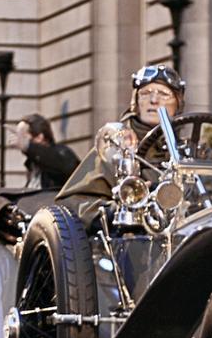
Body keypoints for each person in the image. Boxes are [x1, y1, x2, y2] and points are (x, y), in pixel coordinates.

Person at [57, 65, 186, 223]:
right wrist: (119, 208)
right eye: (145, 93)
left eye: (164, 94)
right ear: (136, 102)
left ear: (178, 104)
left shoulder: (191, 152)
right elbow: (74, 204)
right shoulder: (115, 145)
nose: (153, 100)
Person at [14, 114, 79, 189]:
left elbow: (57, 163)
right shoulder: (33, 163)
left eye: (23, 137)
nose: (19, 141)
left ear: (39, 137)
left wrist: (29, 146)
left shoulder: (62, 153)